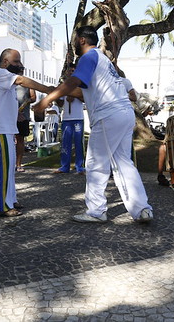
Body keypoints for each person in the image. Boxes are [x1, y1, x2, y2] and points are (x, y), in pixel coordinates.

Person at [34, 26, 153, 224]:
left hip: (109, 115)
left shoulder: (88, 57)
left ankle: (96, 211)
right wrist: (53, 90)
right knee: (124, 163)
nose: (73, 44)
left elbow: (73, 82)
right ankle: (142, 209)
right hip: (124, 114)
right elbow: (80, 92)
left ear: (81, 40)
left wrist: (46, 101)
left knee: (96, 164)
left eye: (74, 40)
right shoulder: (103, 60)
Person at [0, 48, 54, 218]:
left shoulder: (5, 78)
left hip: (7, 127)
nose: (20, 64)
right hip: (1, 128)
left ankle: (10, 200)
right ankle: (1, 206)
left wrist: (16, 113)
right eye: (16, 61)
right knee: (5, 168)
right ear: (5, 62)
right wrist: (47, 89)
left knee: (10, 168)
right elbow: (22, 80)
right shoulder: (0, 73)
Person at [54, 63, 85, 174]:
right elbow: (60, 103)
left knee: (78, 143)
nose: (71, 72)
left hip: (78, 118)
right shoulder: (64, 85)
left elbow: (84, 99)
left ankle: (80, 167)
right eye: (70, 71)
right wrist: (57, 96)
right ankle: (64, 166)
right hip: (66, 118)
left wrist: (74, 95)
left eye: (73, 71)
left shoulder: (81, 85)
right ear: (67, 72)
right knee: (65, 143)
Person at [14, 72, 35, 172]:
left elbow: (33, 97)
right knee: (9, 140)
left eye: (22, 69)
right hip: (10, 115)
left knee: (20, 140)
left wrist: (26, 101)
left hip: (23, 116)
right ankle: (9, 163)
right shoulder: (10, 82)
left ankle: (18, 164)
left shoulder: (28, 83)